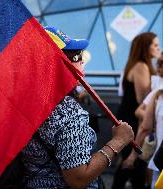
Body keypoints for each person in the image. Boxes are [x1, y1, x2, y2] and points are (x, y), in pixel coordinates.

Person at [21, 26, 135, 189]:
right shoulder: (69, 114)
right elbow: (78, 179)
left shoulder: (24, 100)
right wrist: (117, 142)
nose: (82, 61)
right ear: (57, 64)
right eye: (76, 56)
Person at [112, 32, 161, 189]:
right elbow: (142, 101)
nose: (158, 48)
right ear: (145, 47)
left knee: (129, 160)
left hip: (129, 118)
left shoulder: (138, 64)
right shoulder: (141, 66)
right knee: (134, 162)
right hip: (132, 121)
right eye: (155, 44)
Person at [123, 55, 163, 189]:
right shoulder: (158, 92)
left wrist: (132, 156)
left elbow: (145, 126)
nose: (158, 67)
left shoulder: (159, 92)